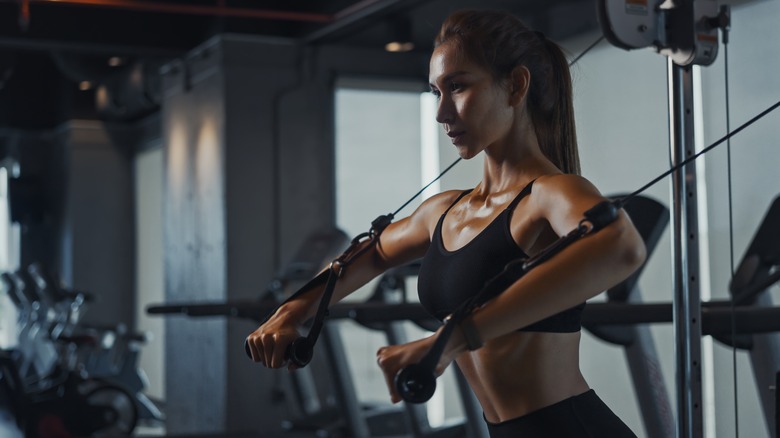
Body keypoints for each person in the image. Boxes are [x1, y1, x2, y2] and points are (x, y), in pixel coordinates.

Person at [246, 9, 645, 437]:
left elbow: (621, 246)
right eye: (435, 91)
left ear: (515, 85)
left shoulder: (551, 194)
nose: (440, 112)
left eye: (457, 86)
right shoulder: (444, 211)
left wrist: (453, 338)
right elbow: (373, 253)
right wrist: (291, 312)